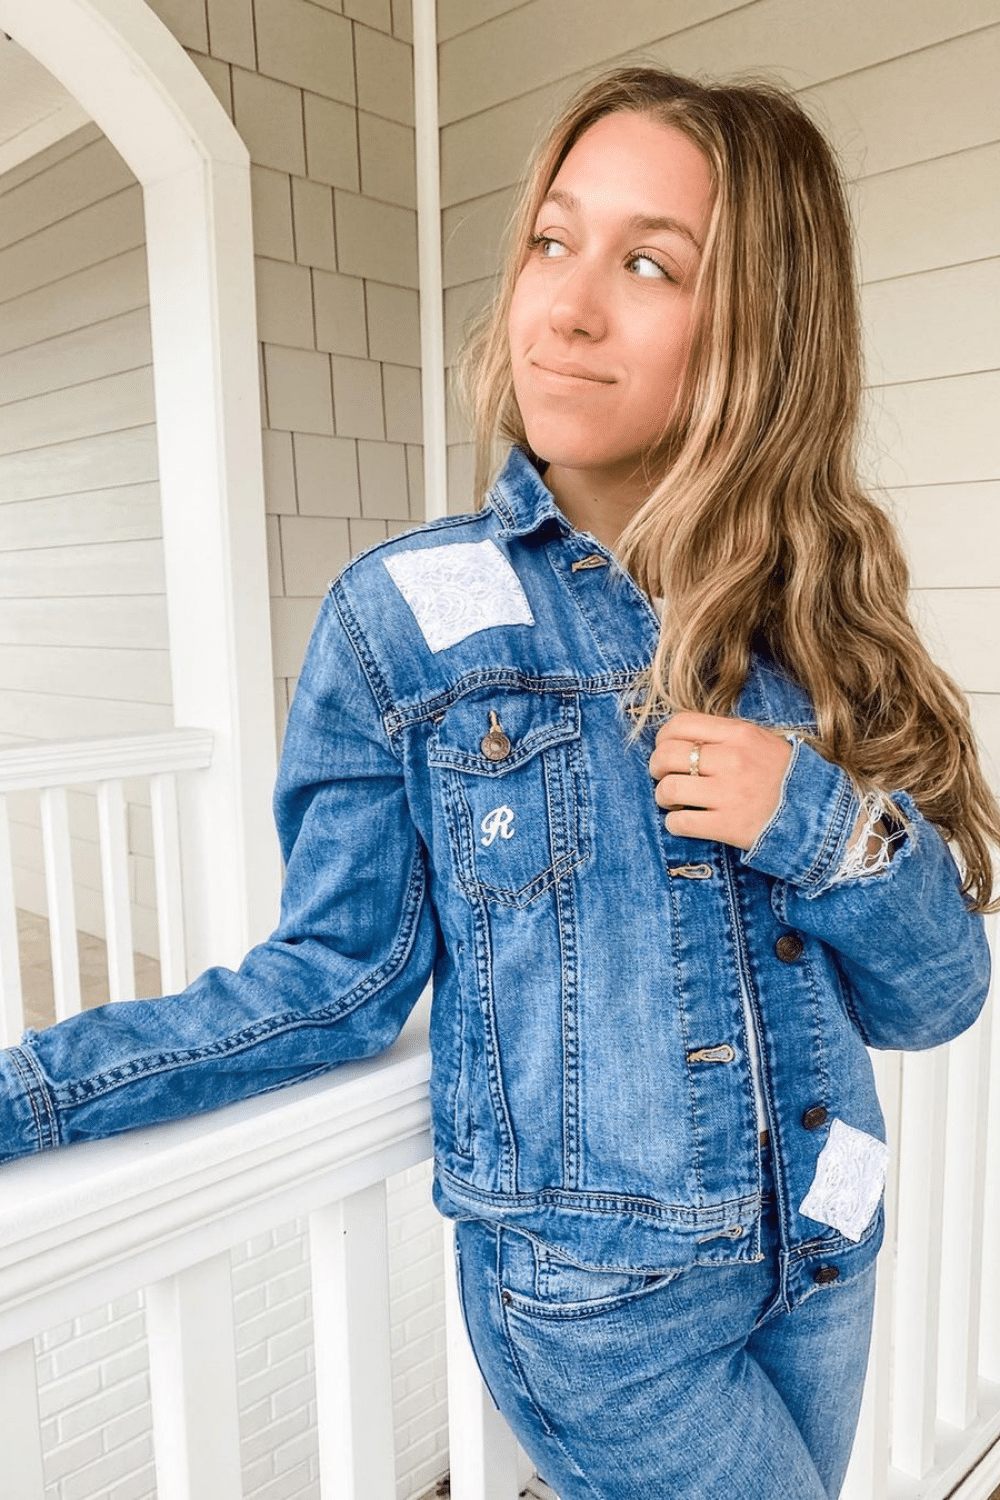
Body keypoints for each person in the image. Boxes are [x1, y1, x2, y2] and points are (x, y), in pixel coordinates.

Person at [1, 65, 996, 1499]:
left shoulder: (816, 636)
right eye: (551, 240)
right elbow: (331, 986)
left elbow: (937, 995)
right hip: (608, 1319)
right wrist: (29, 1094)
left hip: (827, 1247)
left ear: (765, 336)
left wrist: (823, 823)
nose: (565, 306)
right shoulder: (399, 620)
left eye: (650, 263)